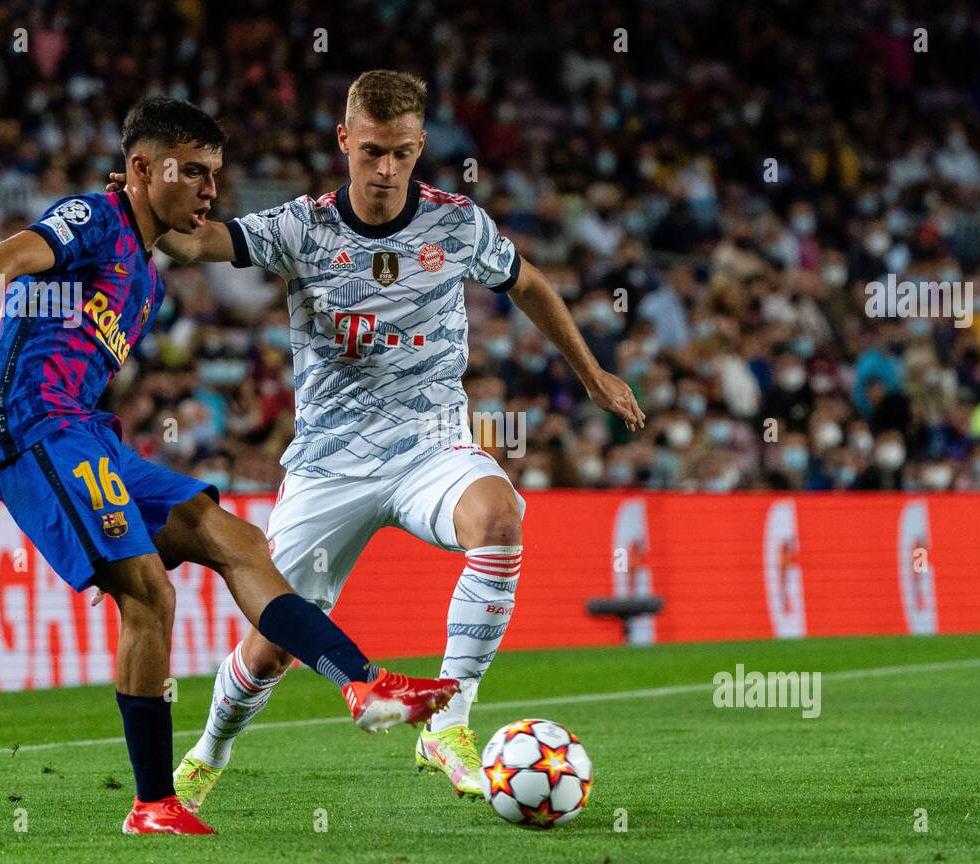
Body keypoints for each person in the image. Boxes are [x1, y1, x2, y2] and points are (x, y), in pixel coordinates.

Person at [110, 71, 644, 806]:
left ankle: (449, 721)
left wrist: (592, 375)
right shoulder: (302, 227)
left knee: (500, 518)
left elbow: (529, 284)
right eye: (370, 153)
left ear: (421, 146)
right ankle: (208, 752)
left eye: (400, 153)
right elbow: (196, 244)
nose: (385, 169)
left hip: (430, 445)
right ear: (344, 143)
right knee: (270, 648)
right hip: (331, 464)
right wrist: (135, 202)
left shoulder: (458, 225)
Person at [0, 96, 458, 836]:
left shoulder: (144, 278)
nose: (212, 190)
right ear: (143, 169)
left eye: (217, 174)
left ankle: (365, 688)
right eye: (196, 172)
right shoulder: (96, 218)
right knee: (147, 594)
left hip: (89, 434)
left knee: (234, 538)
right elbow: (12, 253)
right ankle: (153, 804)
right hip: (33, 426)